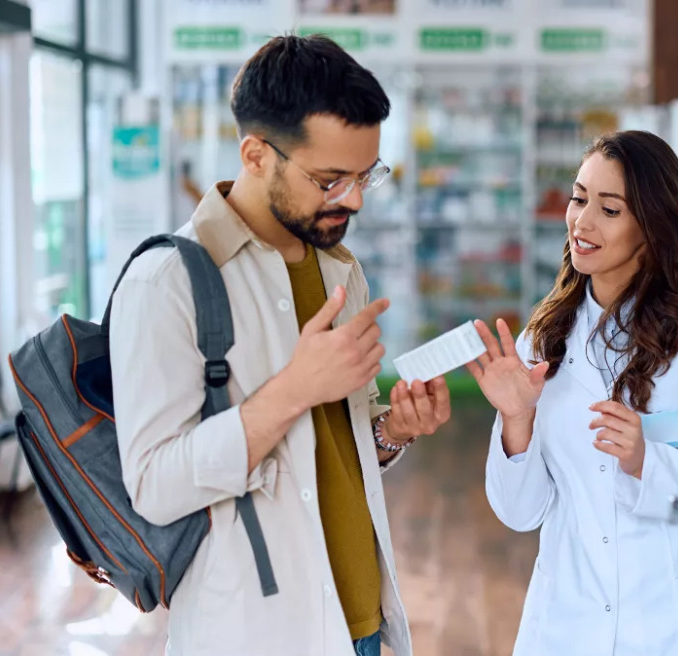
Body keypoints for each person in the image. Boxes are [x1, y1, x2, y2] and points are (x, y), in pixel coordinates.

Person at [110, 35, 451, 656]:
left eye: (365, 175)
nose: (351, 199)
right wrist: (294, 390)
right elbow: (155, 485)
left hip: (362, 617)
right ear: (256, 154)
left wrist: (393, 431)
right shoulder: (168, 282)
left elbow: (329, 452)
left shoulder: (338, 267)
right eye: (330, 179)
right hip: (256, 634)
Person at [468, 130, 678, 655]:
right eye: (578, 197)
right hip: (570, 623)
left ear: (652, 226)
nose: (581, 222)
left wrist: (647, 462)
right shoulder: (545, 337)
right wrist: (517, 421)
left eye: (609, 210)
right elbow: (521, 513)